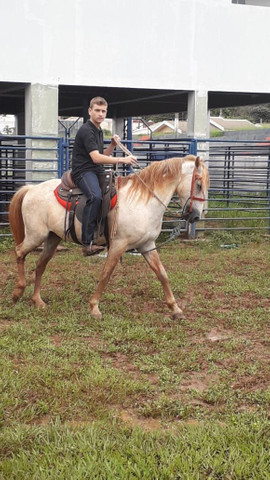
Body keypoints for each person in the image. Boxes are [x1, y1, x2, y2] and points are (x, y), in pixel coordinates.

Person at [71, 96, 138, 256]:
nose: (101, 114)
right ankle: (87, 243)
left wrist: (113, 146)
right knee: (95, 197)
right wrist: (122, 159)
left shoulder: (98, 130)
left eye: (103, 111)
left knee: (117, 193)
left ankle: (113, 235)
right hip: (83, 171)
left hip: (96, 170)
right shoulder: (87, 130)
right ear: (90, 111)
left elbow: (101, 155)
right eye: (97, 110)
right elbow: (96, 158)